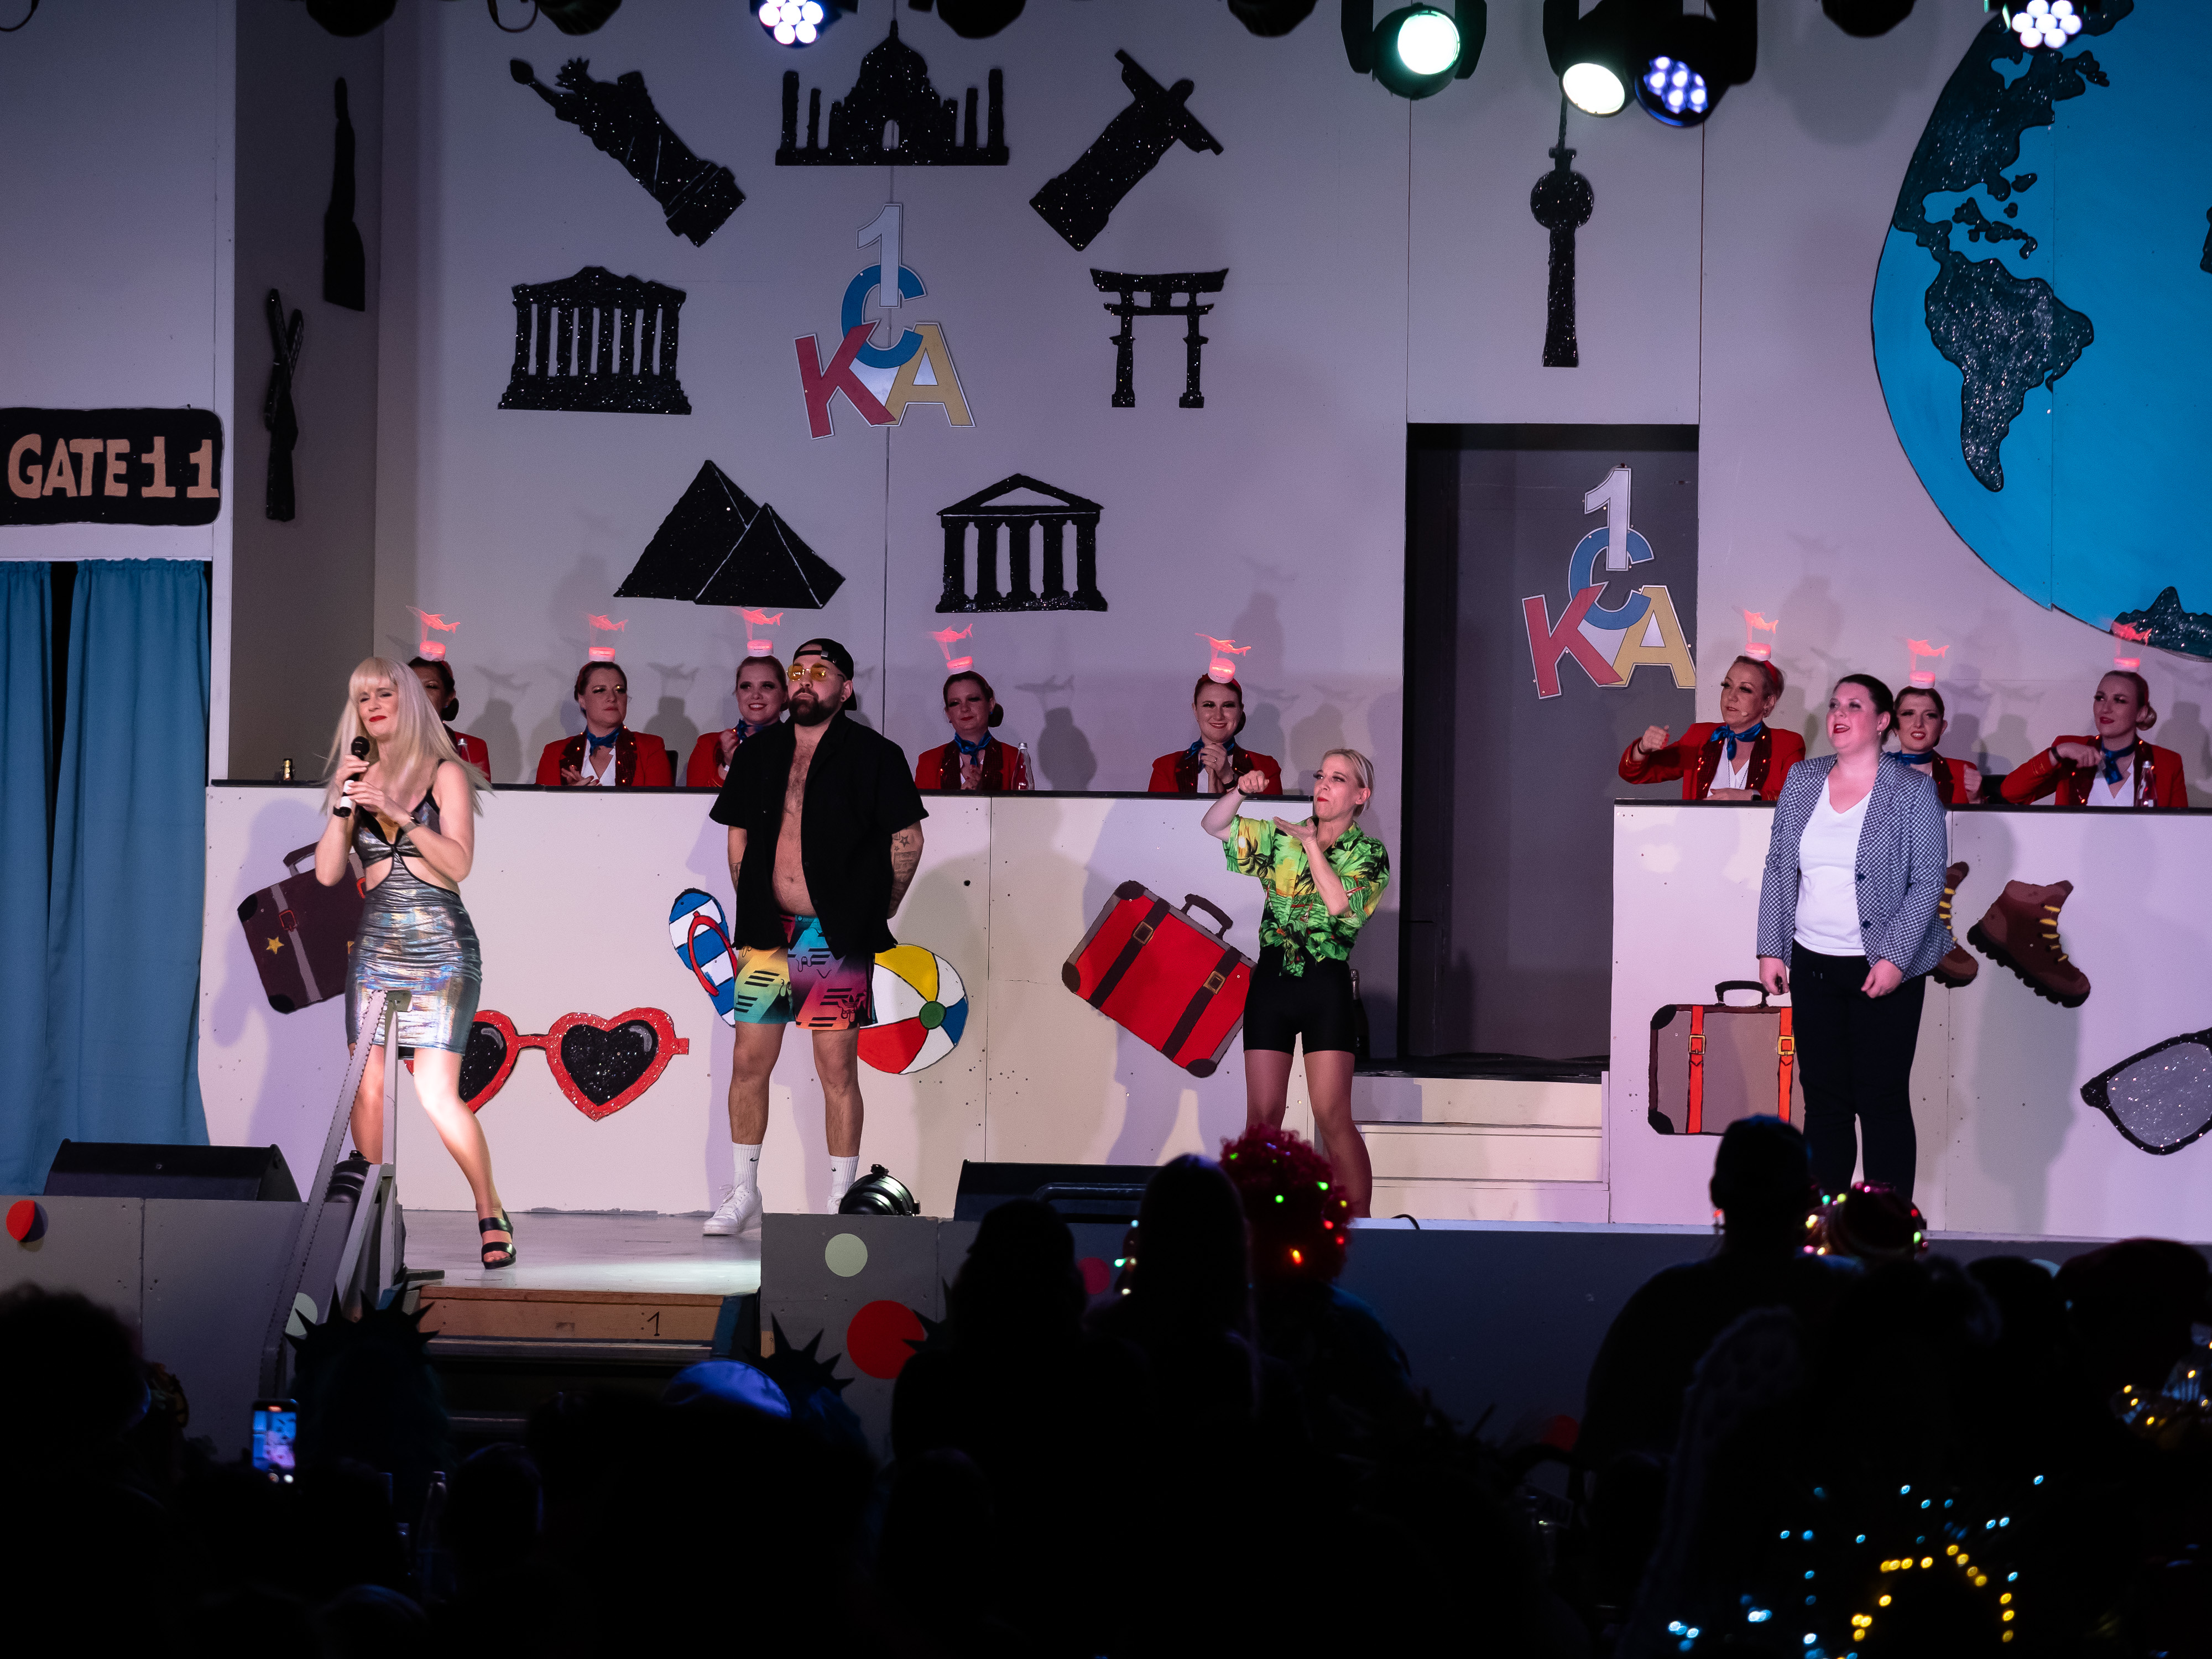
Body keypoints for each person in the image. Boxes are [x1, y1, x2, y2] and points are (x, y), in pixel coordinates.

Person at [703, 639, 927, 1229]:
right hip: (767, 933)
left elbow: (907, 839)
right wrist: (751, 901)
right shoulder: (760, 752)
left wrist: (872, 914)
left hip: (831, 935)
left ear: (845, 688)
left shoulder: (875, 754)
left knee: (836, 1070)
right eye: (798, 670)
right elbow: (737, 834)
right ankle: (744, 1192)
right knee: (748, 1062)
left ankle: (840, 1199)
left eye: (819, 672)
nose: (805, 680)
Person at [313, 658, 512, 1267]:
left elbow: (459, 864)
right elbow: (327, 874)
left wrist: (398, 814)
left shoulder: (444, 772)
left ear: (409, 700)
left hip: (441, 945)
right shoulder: (357, 779)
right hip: (377, 945)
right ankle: (375, 1223)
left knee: (434, 1092)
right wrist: (344, 803)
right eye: (362, 697)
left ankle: (489, 1208)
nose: (373, 705)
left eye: (384, 693)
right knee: (366, 1087)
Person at [1755, 674, 1949, 1200]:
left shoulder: (1912, 790)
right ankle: (1823, 1220)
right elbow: (1779, 866)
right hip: (1813, 962)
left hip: (1882, 967)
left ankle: (1886, 1229)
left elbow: (1928, 880)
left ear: (1883, 721)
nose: (1839, 714)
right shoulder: (1803, 778)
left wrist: (1895, 959)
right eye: (1835, 704)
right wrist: (1772, 947)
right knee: (1824, 1101)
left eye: (1854, 706)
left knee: (1882, 1100)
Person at [1203, 747, 1389, 1217]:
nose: (1323, 784)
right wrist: (1237, 791)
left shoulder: (1369, 854)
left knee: (1332, 1115)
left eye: (1338, 779)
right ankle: (1254, 1221)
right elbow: (1214, 825)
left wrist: (1311, 844)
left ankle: (1362, 1227)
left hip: (1325, 985)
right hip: (1273, 983)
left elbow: (1339, 905)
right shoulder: (1282, 836)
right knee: (1262, 1118)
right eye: (1321, 775)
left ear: (1361, 796)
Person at [1619, 655, 1804, 801]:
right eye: (1727, 685)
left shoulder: (1787, 744)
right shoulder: (1699, 736)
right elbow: (1634, 774)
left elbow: (1799, 799)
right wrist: (1642, 748)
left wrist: (1751, 796)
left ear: (1768, 702)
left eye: (1745, 689)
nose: (1731, 696)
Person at [2000, 668, 2188, 808]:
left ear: (2141, 713)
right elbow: (2011, 793)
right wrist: (2059, 752)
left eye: (2120, 700)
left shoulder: (2167, 762)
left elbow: (2179, 830)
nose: (2105, 708)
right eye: (2100, 698)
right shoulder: (2070, 752)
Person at [534, 661, 674, 787]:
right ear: (582, 700)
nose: (612, 698)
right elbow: (542, 806)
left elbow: (660, 806)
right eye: (600, 690)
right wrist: (570, 798)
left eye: (619, 690)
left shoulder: (650, 748)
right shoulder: (554, 753)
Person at [1147, 676, 1283, 795]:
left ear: (1240, 711)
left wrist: (1228, 779)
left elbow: (1266, 818)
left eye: (1228, 706)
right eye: (1209, 705)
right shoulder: (1165, 768)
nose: (1218, 716)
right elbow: (1158, 816)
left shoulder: (1267, 768)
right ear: (1195, 710)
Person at [913, 670, 1033, 791]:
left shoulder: (1015, 758)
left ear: (991, 705)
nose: (964, 708)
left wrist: (984, 793)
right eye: (955, 703)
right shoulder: (928, 761)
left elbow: (1024, 803)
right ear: (948, 713)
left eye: (973, 699)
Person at [684, 655, 787, 788]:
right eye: (746, 687)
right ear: (737, 694)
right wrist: (728, 765)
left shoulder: (801, 745)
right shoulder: (709, 746)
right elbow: (697, 800)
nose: (756, 695)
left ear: (785, 695)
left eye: (767, 686)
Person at [1890, 685, 1982, 805]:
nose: (1918, 724)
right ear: (1894, 726)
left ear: (1942, 727)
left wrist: (1975, 800)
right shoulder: (1874, 773)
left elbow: (1979, 817)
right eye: (1908, 714)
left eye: (1930, 715)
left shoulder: (1963, 773)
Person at [408, 655, 491, 775]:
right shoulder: (382, 743)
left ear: (449, 697)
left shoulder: (473, 747)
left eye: (431, 687)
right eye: (411, 686)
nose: (419, 694)